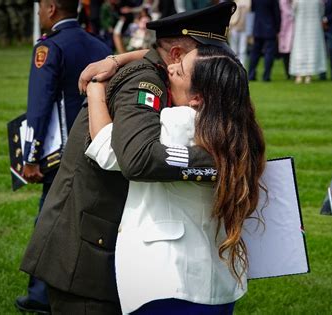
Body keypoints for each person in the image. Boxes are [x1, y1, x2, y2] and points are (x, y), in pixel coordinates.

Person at [20, 3, 237, 314]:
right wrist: (223, 159)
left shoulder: (166, 73)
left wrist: (118, 57)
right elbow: (131, 156)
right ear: (176, 56)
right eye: (205, 53)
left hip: (104, 242)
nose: (217, 64)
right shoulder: (144, 82)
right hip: (86, 254)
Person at [85, 44, 265, 314]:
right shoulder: (238, 130)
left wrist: (95, 89)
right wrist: (121, 58)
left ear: (197, 98)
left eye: (179, 72)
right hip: (221, 281)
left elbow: (109, 152)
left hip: (166, 276)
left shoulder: (176, 122)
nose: (169, 68)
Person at [15, 0, 112, 313]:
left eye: (41, 7)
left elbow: (39, 107)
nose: (40, 13)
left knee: (51, 218)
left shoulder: (49, 48)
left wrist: (30, 157)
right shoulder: (101, 45)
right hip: (98, 143)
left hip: (61, 155)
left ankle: (41, 294)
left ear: (52, 9)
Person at [289, 0, 327, 84]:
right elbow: (321, 12)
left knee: (299, 50)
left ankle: (299, 75)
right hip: (313, 27)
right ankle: (308, 76)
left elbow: (293, 12)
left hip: (301, 26)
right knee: (312, 50)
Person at [248, 0, 281, 82]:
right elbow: (277, 14)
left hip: (257, 28)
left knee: (254, 54)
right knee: (269, 54)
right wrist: (277, 29)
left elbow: (252, 10)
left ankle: (251, 74)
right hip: (270, 28)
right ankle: (266, 76)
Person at [229, 0, 251, 66]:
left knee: (242, 50)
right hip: (234, 27)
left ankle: (242, 67)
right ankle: (233, 66)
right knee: (233, 49)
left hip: (244, 28)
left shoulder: (249, 1)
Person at [278, 0, 295, 79]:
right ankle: (288, 73)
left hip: (292, 28)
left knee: (291, 52)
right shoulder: (282, 2)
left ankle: (292, 71)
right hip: (284, 28)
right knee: (286, 53)